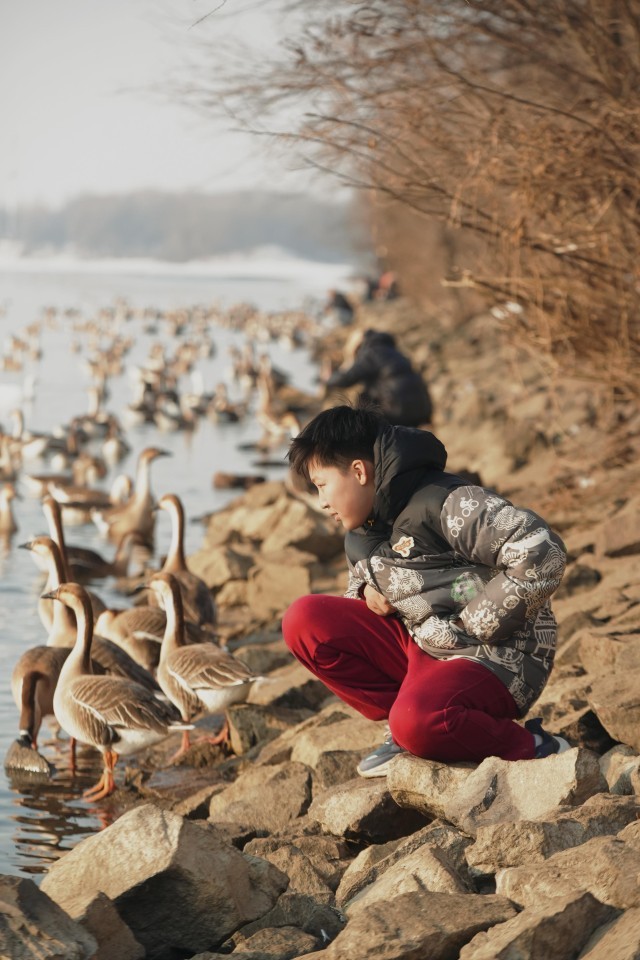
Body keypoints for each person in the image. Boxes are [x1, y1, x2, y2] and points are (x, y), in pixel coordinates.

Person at [282, 405, 569, 778]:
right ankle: (405, 722)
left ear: (358, 471)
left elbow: (542, 550)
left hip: (498, 654)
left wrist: (473, 624)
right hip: (424, 645)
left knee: (418, 722)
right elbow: (359, 584)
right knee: (304, 621)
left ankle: (534, 746)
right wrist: (367, 592)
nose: (321, 502)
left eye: (322, 485)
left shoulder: (444, 501)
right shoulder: (359, 533)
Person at [324, 329, 433, 427]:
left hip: (397, 410)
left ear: (357, 346)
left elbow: (345, 379)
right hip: (420, 408)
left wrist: (330, 377)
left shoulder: (371, 353)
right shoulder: (394, 352)